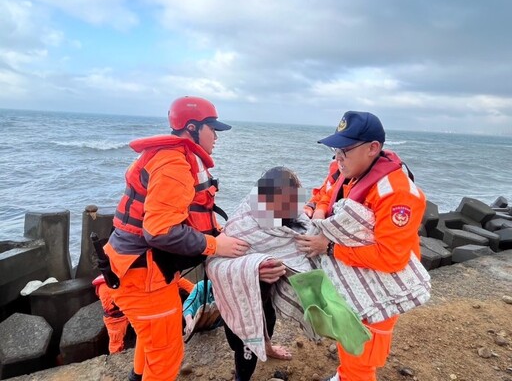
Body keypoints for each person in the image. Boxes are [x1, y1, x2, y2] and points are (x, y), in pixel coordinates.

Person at [103, 96, 250, 381]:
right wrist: (214, 245)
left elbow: (180, 216)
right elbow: (159, 230)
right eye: (212, 128)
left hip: (139, 269)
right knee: (167, 355)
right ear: (193, 128)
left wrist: (216, 233)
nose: (216, 136)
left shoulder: (170, 156)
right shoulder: (174, 163)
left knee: (150, 339)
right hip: (143, 278)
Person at [295, 111, 427, 381]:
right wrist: (318, 210)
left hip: (383, 280)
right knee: (346, 326)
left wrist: (328, 248)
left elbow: (391, 258)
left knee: (362, 348)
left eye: (345, 149)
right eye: (336, 149)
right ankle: (344, 374)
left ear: (373, 148)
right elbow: (325, 191)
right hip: (351, 270)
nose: (338, 157)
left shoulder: (396, 194)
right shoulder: (344, 168)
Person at [207, 166, 310, 381]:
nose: (294, 204)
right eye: (289, 198)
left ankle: (268, 347)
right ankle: (241, 378)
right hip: (241, 297)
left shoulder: (291, 217)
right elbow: (216, 264)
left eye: (295, 197)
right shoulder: (244, 224)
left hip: (265, 294)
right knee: (244, 343)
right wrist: (254, 268)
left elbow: (300, 243)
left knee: (268, 319)